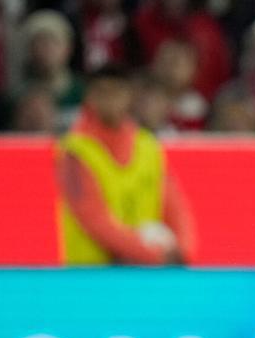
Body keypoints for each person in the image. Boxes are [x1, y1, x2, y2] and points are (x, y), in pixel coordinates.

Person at [55, 64, 196, 266]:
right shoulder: (74, 153)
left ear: (129, 96)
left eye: (117, 91)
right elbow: (93, 219)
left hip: (144, 275)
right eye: (102, 92)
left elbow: (175, 206)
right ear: (89, 98)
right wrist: (152, 255)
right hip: (91, 279)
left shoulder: (147, 146)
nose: (110, 99)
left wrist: (183, 250)